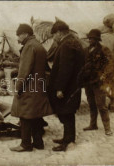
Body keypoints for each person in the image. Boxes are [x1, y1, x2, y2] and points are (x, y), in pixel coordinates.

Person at [9, 24, 53, 152]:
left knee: (25, 115)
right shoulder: (38, 45)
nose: (18, 37)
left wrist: (18, 88)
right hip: (39, 85)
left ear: (26, 34)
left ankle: (25, 144)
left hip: (29, 87)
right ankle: (38, 143)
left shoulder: (29, 47)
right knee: (36, 114)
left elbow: (24, 71)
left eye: (19, 34)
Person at [48, 20, 85, 151]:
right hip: (73, 86)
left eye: (54, 35)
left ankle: (68, 142)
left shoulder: (66, 45)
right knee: (68, 113)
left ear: (58, 32)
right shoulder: (73, 42)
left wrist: (60, 88)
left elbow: (65, 69)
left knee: (66, 113)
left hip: (67, 87)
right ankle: (67, 138)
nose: (54, 38)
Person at [79, 29, 114, 136]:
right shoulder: (85, 50)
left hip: (99, 83)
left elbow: (110, 65)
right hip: (88, 82)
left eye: (92, 38)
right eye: (89, 38)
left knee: (101, 105)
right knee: (91, 104)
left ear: (97, 39)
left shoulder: (104, 50)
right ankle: (93, 124)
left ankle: (107, 128)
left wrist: (103, 76)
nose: (90, 40)